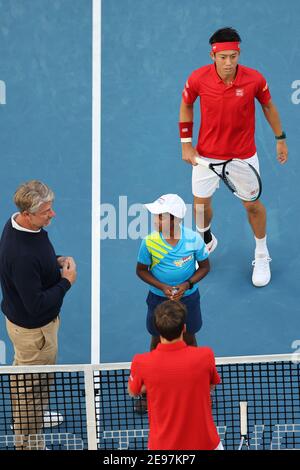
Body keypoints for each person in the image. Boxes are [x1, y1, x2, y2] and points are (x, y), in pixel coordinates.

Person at [179, 27, 288, 287]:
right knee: (200, 207)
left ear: (239, 54)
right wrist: (186, 144)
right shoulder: (197, 79)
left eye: (233, 56)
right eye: (223, 57)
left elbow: (268, 105)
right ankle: (205, 239)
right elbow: (186, 103)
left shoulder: (254, 80)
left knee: (252, 206)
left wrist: (280, 138)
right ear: (212, 55)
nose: (229, 62)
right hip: (206, 156)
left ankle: (261, 253)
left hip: (242, 157)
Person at [0, 180, 77, 450]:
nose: (52, 214)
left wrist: (52, 261)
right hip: (35, 332)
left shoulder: (18, 225)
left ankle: (31, 417)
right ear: (29, 213)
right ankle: (28, 442)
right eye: (46, 211)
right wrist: (66, 281)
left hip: (26, 328)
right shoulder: (21, 254)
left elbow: (35, 260)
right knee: (31, 388)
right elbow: (36, 305)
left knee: (28, 378)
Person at [128, 300, 223, 450]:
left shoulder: (141, 362)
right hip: (207, 444)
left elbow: (134, 391)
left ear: (158, 331)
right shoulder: (205, 355)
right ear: (184, 328)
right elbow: (210, 386)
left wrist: (155, 384)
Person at [137, 193, 210, 350]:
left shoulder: (193, 239)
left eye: (160, 217)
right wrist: (162, 287)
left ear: (175, 220)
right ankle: (154, 372)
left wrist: (187, 284)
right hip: (158, 298)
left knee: (189, 337)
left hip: (188, 298)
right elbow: (141, 270)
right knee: (156, 338)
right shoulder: (149, 242)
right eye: (155, 216)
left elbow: (205, 267)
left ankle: (193, 369)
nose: (155, 220)